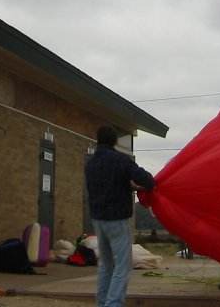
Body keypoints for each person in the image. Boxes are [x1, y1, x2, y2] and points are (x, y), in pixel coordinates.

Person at [85, 126, 156, 307]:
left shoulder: (90, 163)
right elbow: (147, 180)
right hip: (116, 219)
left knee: (105, 265)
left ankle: (102, 303)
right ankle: (113, 304)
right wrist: (139, 186)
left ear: (98, 140)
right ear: (115, 141)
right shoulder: (121, 160)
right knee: (122, 268)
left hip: (98, 219)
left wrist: (128, 186)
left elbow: (104, 186)